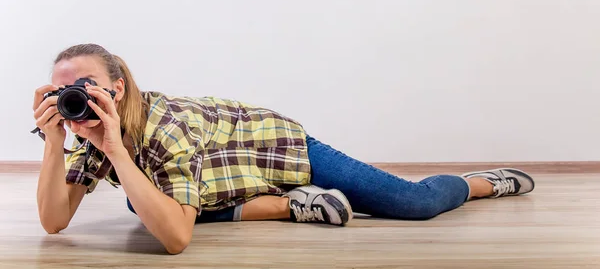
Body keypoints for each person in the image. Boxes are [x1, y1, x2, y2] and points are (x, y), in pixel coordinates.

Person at [33, 43, 535, 254]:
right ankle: (289, 207)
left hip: (276, 147)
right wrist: (54, 144)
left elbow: (177, 240)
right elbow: (55, 223)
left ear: (117, 88)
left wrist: (120, 154)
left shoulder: (168, 129)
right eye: (64, 93)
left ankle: (482, 183)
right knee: (139, 202)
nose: (75, 101)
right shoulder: (86, 137)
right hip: (222, 174)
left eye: (86, 87)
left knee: (413, 204)